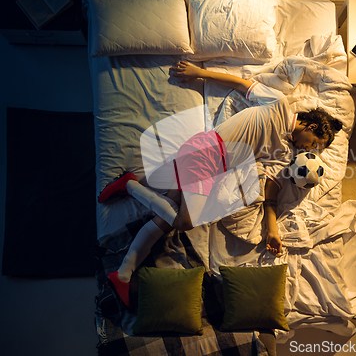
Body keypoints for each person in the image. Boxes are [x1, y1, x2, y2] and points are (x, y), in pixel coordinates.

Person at [99, 61, 342, 307]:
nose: (308, 149)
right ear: (311, 127)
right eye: (313, 144)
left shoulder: (283, 154)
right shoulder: (278, 104)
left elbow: (272, 191)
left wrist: (272, 230)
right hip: (208, 150)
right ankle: (130, 186)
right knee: (185, 222)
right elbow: (240, 84)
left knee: (165, 218)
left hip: (214, 170)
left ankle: (123, 274)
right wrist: (199, 73)